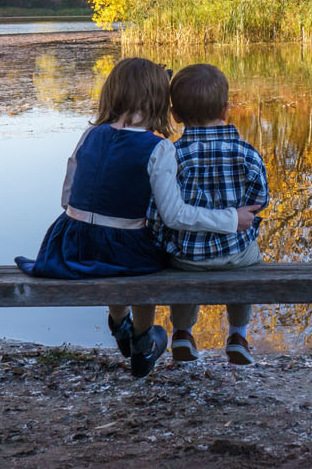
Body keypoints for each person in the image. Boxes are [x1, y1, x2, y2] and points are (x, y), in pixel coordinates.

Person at [15, 56, 260, 378]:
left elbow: (68, 190)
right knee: (149, 253)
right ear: (159, 99)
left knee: (119, 243)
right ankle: (143, 342)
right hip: (124, 250)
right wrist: (230, 219)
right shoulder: (157, 148)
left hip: (71, 241)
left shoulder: (91, 134)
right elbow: (174, 215)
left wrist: (86, 216)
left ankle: (119, 322)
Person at [150, 63, 269, 365]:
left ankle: (182, 333)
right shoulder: (247, 153)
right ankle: (239, 335)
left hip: (188, 256)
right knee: (250, 256)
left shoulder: (172, 155)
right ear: (226, 109)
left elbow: (156, 213)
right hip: (236, 253)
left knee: (178, 262)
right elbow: (260, 201)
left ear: (175, 115)